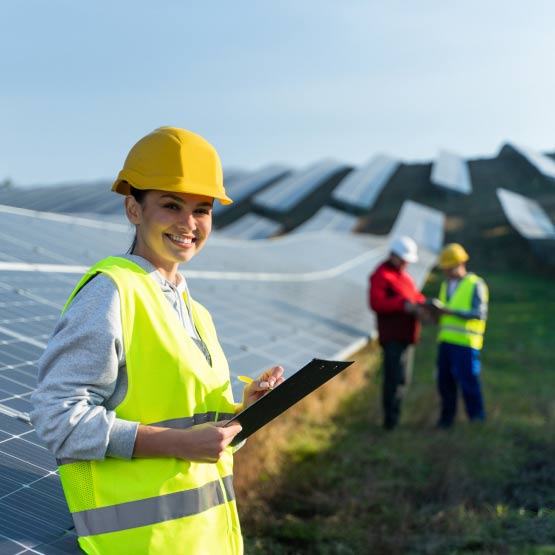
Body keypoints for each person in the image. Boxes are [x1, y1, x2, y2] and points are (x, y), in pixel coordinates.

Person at [30, 126, 284, 555]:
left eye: (202, 210)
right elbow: (58, 418)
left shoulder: (194, 311)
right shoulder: (112, 292)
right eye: (171, 205)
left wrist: (245, 415)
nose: (189, 223)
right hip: (139, 544)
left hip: (204, 539)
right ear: (133, 208)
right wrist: (179, 444)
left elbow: (191, 425)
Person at [369, 236, 426, 430]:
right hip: (392, 336)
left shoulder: (404, 276)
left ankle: (396, 416)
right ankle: (390, 422)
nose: (406, 263)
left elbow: (414, 296)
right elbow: (376, 303)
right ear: (393, 255)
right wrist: (402, 305)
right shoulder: (381, 275)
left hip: (406, 335)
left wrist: (422, 304)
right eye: (403, 259)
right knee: (393, 379)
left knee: (403, 379)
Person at [431, 243, 489, 428]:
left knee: (468, 382)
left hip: (466, 343)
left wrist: (450, 311)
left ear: (460, 263)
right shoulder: (445, 285)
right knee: (444, 383)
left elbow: (479, 313)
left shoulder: (475, 284)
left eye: (448, 268)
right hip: (446, 342)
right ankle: (446, 420)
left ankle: (477, 419)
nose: (446, 272)